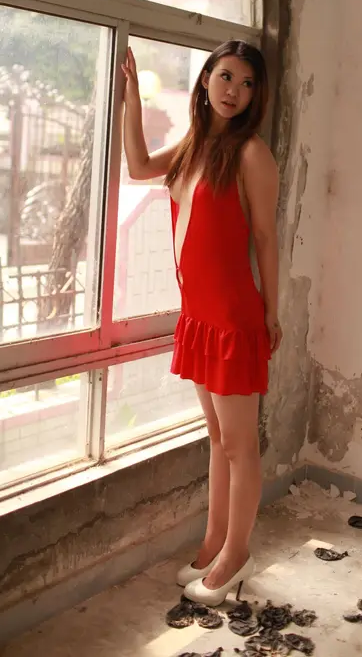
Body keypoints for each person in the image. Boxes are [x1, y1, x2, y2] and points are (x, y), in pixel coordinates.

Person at [121, 39, 282, 607]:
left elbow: (265, 238)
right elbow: (138, 167)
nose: (235, 91)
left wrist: (272, 312)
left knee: (240, 445)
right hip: (199, 316)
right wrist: (132, 102)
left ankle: (237, 555)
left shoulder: (251, 155)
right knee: (216, 438)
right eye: (227, 77)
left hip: (233, 319)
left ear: (256, 96)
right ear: (206, 79)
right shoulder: (195, 145)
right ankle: (214, 540)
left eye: (247, 84)